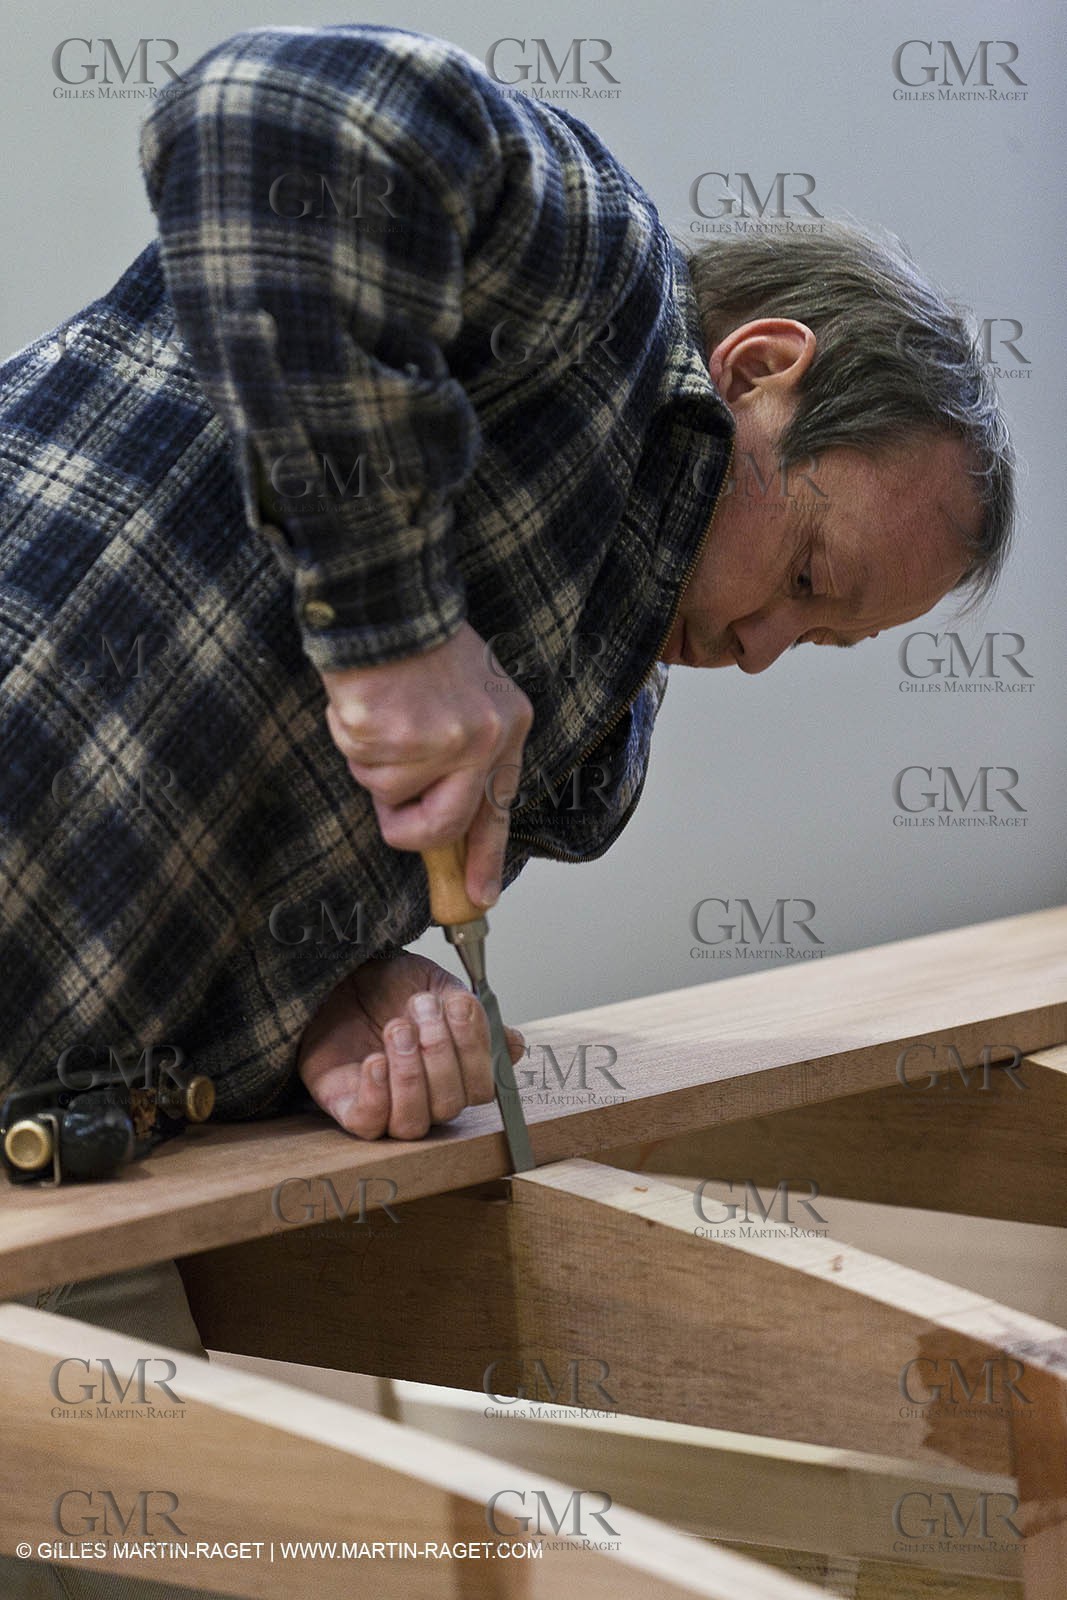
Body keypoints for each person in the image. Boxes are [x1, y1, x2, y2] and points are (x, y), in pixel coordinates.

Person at [0, 23, 1014, 1597]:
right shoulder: (583, 272)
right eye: (806, 579)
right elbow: (272, 109)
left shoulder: (590, 721)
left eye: (823, 641)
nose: (760, 653)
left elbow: (222, 858)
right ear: (757, 370)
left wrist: (328, 1002)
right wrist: (396, 629)